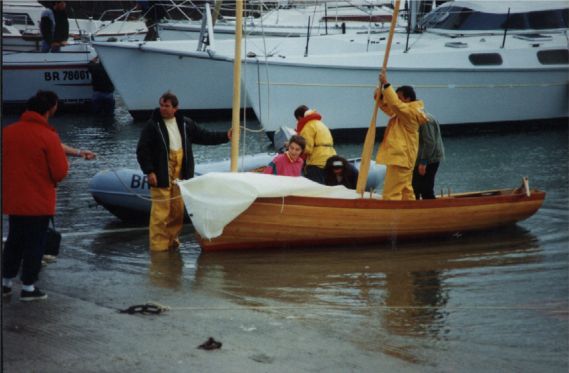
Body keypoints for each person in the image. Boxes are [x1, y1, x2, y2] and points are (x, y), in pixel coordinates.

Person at [136, 92, 232, 252]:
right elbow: (142, 150)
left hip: (180, 174)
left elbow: (204, 136)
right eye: (161, 105)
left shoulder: (185, 124)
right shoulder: (153, 125)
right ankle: (158, 248)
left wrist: (225, 136)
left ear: (175, 108)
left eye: (166, 106)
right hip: (162, 173)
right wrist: (149, 171)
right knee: (161, 213)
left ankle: (172, 242)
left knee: (177, 211)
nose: (163, 109)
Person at [2, 90, 69, 301]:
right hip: (39, 200)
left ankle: (5, 282)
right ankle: (28, 287)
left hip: (14, 198)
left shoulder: (8, 132)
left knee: (13, 241)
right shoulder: (48, 136)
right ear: (50, 109)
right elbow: (59, 171)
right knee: (35, 245)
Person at [375, 71, 428, 200]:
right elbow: (391, 108)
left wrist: (386, 84)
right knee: (405, 190)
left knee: (391, 193)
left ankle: (391, 217)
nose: (397, 100)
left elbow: (395, 105)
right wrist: (380, 98)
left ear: (407, 99)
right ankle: (410, 214)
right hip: (402, 159)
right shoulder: (402, 114)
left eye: (399, 97)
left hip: (401, 159)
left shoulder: (410, 113)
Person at [294, 105, 336, 184]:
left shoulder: (308, 127)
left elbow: (307, 149)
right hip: (331, 159)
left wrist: (293, 150)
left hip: (317, 162)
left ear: (299, 118)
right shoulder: (321, 124)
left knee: (315, 189)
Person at [413, 113, 445, 200]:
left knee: (426, 190)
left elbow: (430, 142)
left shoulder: (425, 119)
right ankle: (416, 210)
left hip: (430, 159)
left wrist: (423, 162)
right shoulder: (419, 118)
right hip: (421, 158)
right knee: (415, 188)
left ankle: (432, 211)